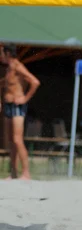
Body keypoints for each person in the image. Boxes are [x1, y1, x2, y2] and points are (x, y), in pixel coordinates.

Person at [0, 44, 40, 179]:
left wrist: (25, 98)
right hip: (9, 105)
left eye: (2, 53)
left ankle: (26, 173)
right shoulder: (9, 68)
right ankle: (13, 173)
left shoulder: (17, 66)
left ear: (8, 54)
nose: (0, 56)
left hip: (17, 105)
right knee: (11, 141)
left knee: (17, 140)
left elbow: (35, 82)